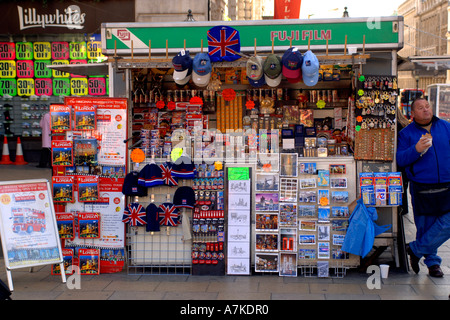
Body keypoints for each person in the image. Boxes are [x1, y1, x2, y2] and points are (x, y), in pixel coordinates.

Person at [396, 98, 450, 277]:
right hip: (422, 186)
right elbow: (401, 159)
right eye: (421, 108)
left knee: (447, 222)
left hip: (447, 183)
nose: (426, 110)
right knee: (425, 226)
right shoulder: (406, 133)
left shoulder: (445, 127)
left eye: (427, 106)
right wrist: (416, 149)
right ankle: (433, 263)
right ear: (413, 113)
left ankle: (415, 249)